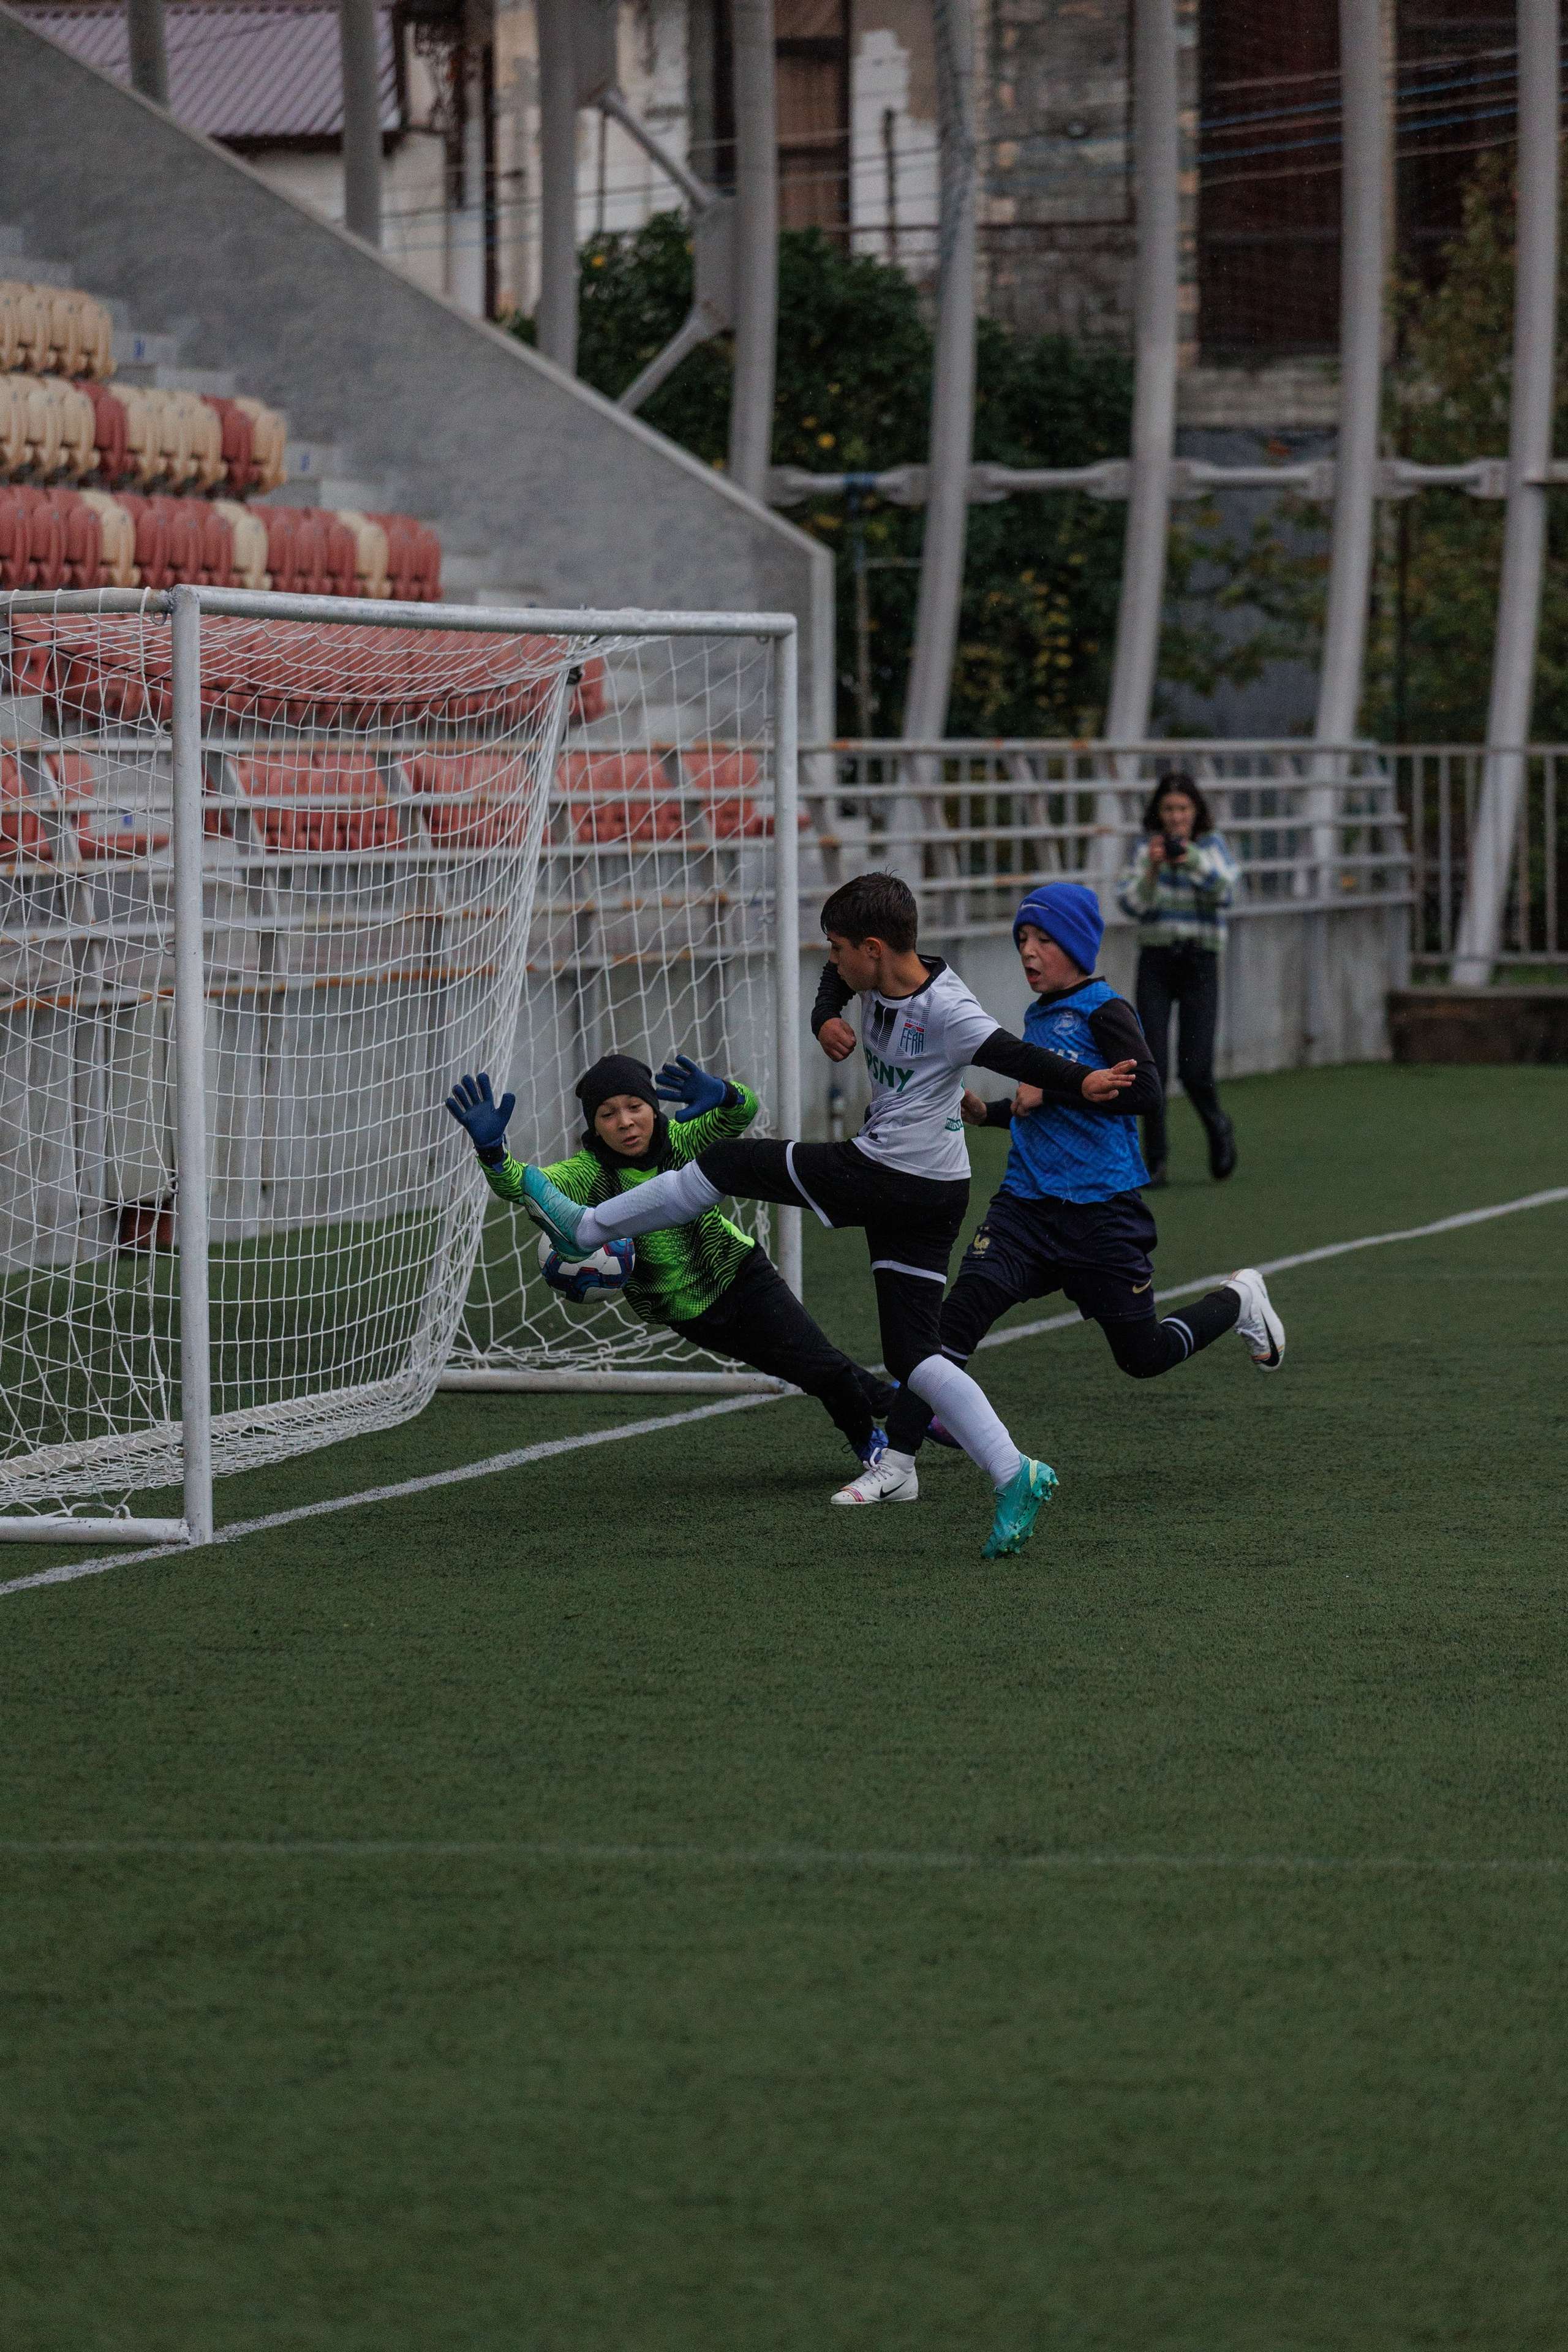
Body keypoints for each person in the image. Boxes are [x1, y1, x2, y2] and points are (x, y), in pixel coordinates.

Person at [505, 872, 1143, 1562]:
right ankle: (1014, 1471)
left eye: (837, 950)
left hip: (890, 1175)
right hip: (934, 1189)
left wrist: (1081, 1081)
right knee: (911, 1354)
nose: (830, 963)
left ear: (873, 949)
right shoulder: (871, 976)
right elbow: (833, 990)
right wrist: (824, 1018)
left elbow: (1008, 1053)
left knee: (726, 1164)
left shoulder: (949, 1009)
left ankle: (588, 1227)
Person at [888, 881, 1284, 1472]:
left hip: (1102, 1214)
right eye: (1022, 937)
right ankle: (895, 1462)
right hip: (1025, 1208)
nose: (1028, 950)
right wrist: (989, 1112)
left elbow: (1147, 1092)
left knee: (1143, 1357)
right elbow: (1038, 1107)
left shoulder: (1107, 1010)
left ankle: (1239, 1299)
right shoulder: (1038, 1012)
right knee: (958, 1316)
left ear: (1076, 944)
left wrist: (1054, 1086)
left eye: (1043, 938)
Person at [444, 1050, 895, 1469]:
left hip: (738, 1272)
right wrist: (493, 1154)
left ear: (653, 1107)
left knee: (818, 1363)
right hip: (686, 1313)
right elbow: (525, 1185)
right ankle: (902, 1405)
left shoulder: (685, 1136)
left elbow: (743, 1112)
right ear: (594, 1125)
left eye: (635, 1106)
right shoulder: (587, 1173)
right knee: (802, 1365)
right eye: (608, 1114)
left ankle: (872, 1445)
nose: (625, 1122)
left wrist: (725, 1092)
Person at [1117, 771, 1240, 1188]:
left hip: (1200, 960)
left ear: (1195, 811)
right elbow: (1131, 904)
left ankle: (1218, 1127)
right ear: (1159, 812)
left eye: (1183, 809)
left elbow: (1226, 892)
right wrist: (1152, 870)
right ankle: (1156, 1163)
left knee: (1195, 1067)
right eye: (1169, 809)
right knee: (1152, 1066)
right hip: (1156, 959)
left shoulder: (1211, 847)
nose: (1175, 818)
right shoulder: (1143, 849)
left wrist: (1191, 861)